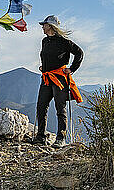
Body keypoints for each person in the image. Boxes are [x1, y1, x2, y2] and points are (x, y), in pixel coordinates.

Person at [32, 15, 83, 148]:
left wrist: (72, 69)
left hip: (60, 78)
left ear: (50, 26)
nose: (42, 27)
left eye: (44, 24)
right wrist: (44, 66)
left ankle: (61, 138)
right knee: (41, 106)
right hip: (47, 77)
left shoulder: (64, 41)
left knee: (60, 108)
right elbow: (47, 56)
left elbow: (79, 53)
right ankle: (40, 137)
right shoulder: (45, 41)